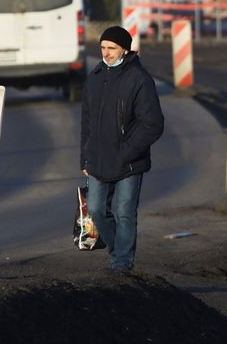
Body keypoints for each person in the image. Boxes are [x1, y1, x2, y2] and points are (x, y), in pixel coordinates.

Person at [81, 25, 164, 271]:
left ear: (125, 50)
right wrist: (84, 158)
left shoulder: (140, 80)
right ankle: (118, 250)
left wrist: (125, 152)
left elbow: (153, 124)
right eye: (103, 48)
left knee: (124, 212)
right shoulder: (95, 77)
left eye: (112, 48)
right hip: (97, 159)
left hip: (129, 161)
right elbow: (86, 122)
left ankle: (122, 263)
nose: (106, 53)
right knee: (96, 210)